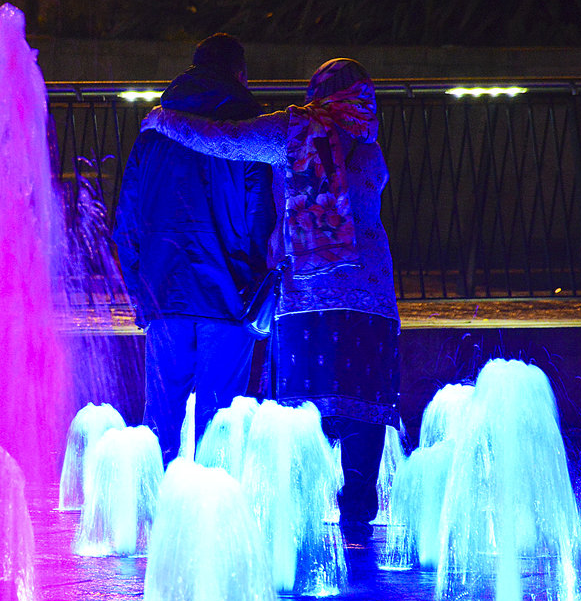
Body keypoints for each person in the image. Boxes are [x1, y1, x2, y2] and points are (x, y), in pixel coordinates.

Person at [141, 58, 400, 536]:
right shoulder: (370, 140)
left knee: (301, 418)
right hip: (371, 301)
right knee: (362, 413)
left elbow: (225, 139)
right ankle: (359, 533)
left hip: (308, 301)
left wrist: (165, 120)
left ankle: (299, 538)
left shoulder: (296, 131)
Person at [112, 34, 277, 466]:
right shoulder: (246, 128)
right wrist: (253, 281)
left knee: (160, 422)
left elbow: (125, 223)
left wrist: (141, 287)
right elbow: (260, 213)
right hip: (227, 298)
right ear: (240, 75)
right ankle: (210, 516)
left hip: (163, 296)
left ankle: (155, 519)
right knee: (219, 423)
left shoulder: (152, 133)